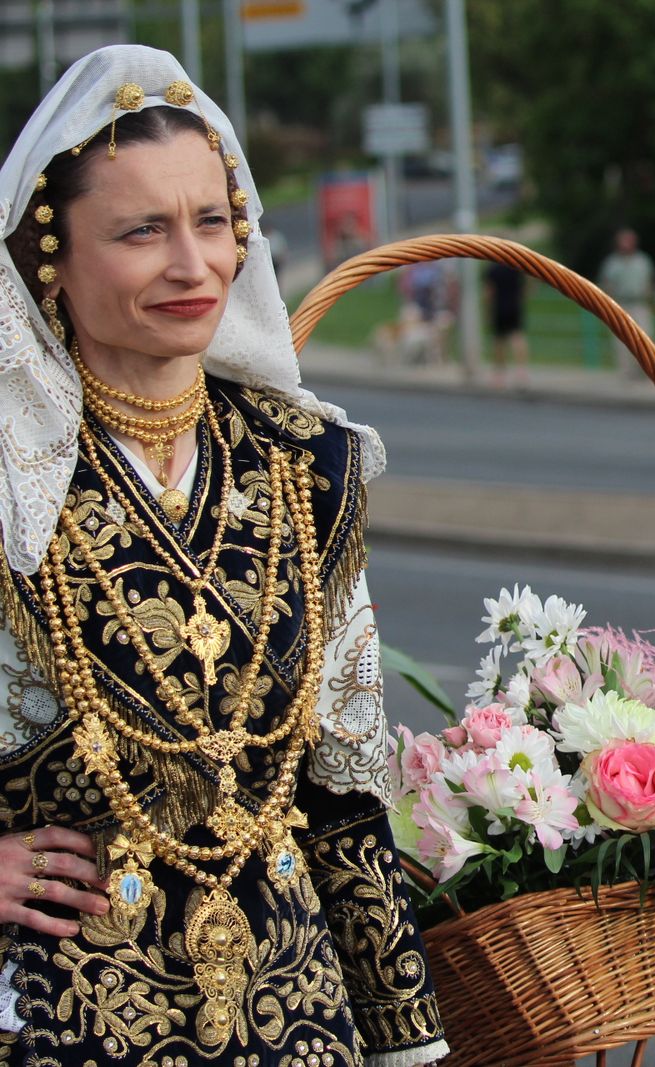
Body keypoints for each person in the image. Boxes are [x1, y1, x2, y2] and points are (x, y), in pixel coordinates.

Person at [0, 45, 447, 1066]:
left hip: (298, 1019)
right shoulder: (9, 475)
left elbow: (340, 791)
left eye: (212, 220)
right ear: (50, 256)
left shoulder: (308, 464)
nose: (193, 263)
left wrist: (405, 1040)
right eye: (141, 230)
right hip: (58, 1017)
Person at [596, 227, 655, 378]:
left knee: (645, 337)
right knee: (622, 339)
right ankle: (625, 372)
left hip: (640, 303)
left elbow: (650, 282)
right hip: (621, 304)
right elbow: (606, 284)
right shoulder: (612, 262)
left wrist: (652, 302)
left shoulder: (643, 260)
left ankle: (644, 371)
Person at [484, 259, 530, 387]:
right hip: (515, 306)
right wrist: (522, 297)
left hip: (499, 307)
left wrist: (487, 312)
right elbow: (527, 282)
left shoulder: (492, 269)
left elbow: (489, 292)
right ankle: (521, 371)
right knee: (517, 337)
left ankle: (499, 375)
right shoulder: (515, 267)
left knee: (499, 341)